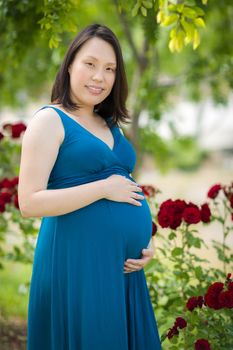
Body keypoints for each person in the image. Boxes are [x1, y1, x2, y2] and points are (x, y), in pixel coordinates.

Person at [18, 23, 162, 350]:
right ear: (70, 64)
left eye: (110, 69)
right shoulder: (49, 121)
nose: (100, 77)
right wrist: (102, 189)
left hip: (121, 271)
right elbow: (28, 203)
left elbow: (124, 184)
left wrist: (146, 241)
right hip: (76, 265)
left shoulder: (109, 123)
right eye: (91, 64)